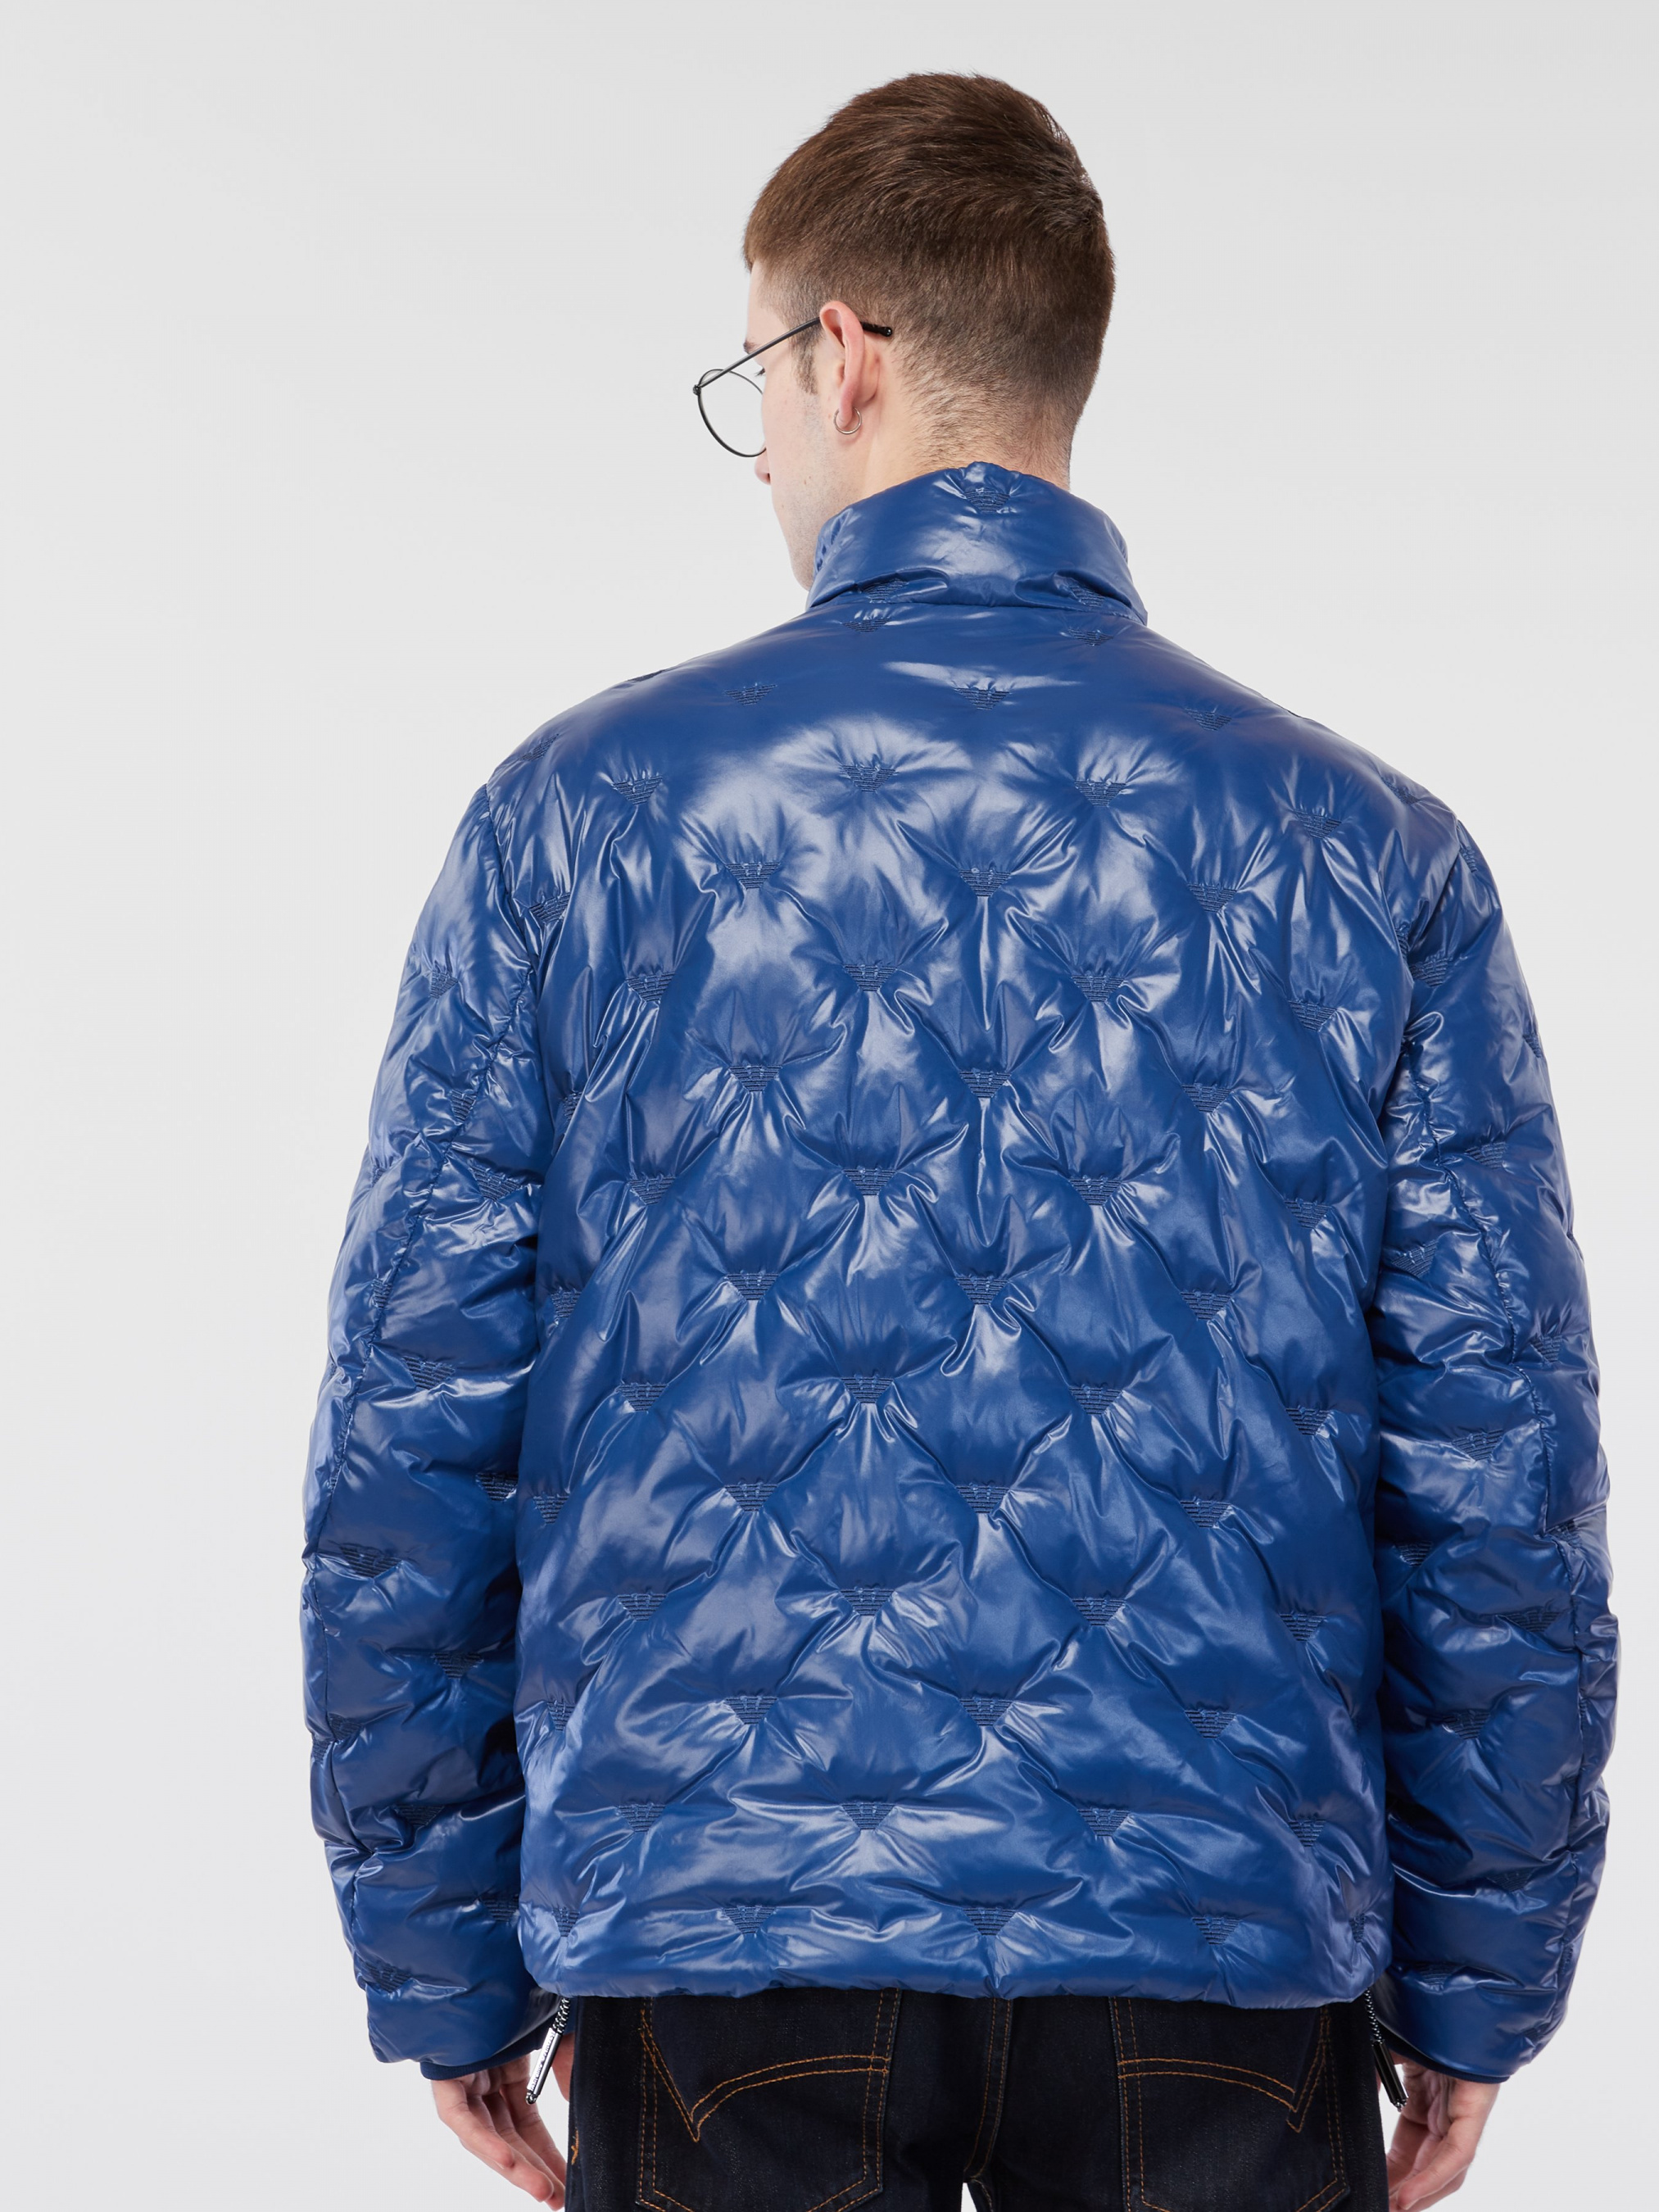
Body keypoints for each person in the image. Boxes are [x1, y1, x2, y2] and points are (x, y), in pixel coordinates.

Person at [302, 73, 1615, 2212]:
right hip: (1224, 1937)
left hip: (722, 1924)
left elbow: (415, 1434)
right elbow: (1494, 1475)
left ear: (841, 353)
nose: (764, 448)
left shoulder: (572, 822)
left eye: (755, 377)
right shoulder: (1371, 852)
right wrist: (1477, 1985)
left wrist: (443, 1961)